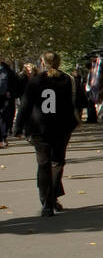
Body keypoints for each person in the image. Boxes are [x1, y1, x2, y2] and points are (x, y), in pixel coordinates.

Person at [15, 51, 78, 217]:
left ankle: (47, 203)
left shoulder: (35, 81)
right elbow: (79, 102)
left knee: (43, 164)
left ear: (43, 63)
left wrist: (18, 128)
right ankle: (51, 199)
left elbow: (25, 106)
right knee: (57, 163)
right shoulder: (68, 80)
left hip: (39, 128)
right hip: (62, 128)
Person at [0, 59, 14, 147]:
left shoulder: (7, 69)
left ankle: (3, 138)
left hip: (4, 97)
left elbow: (13, 82)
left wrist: (10, 91)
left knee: (3, 117)